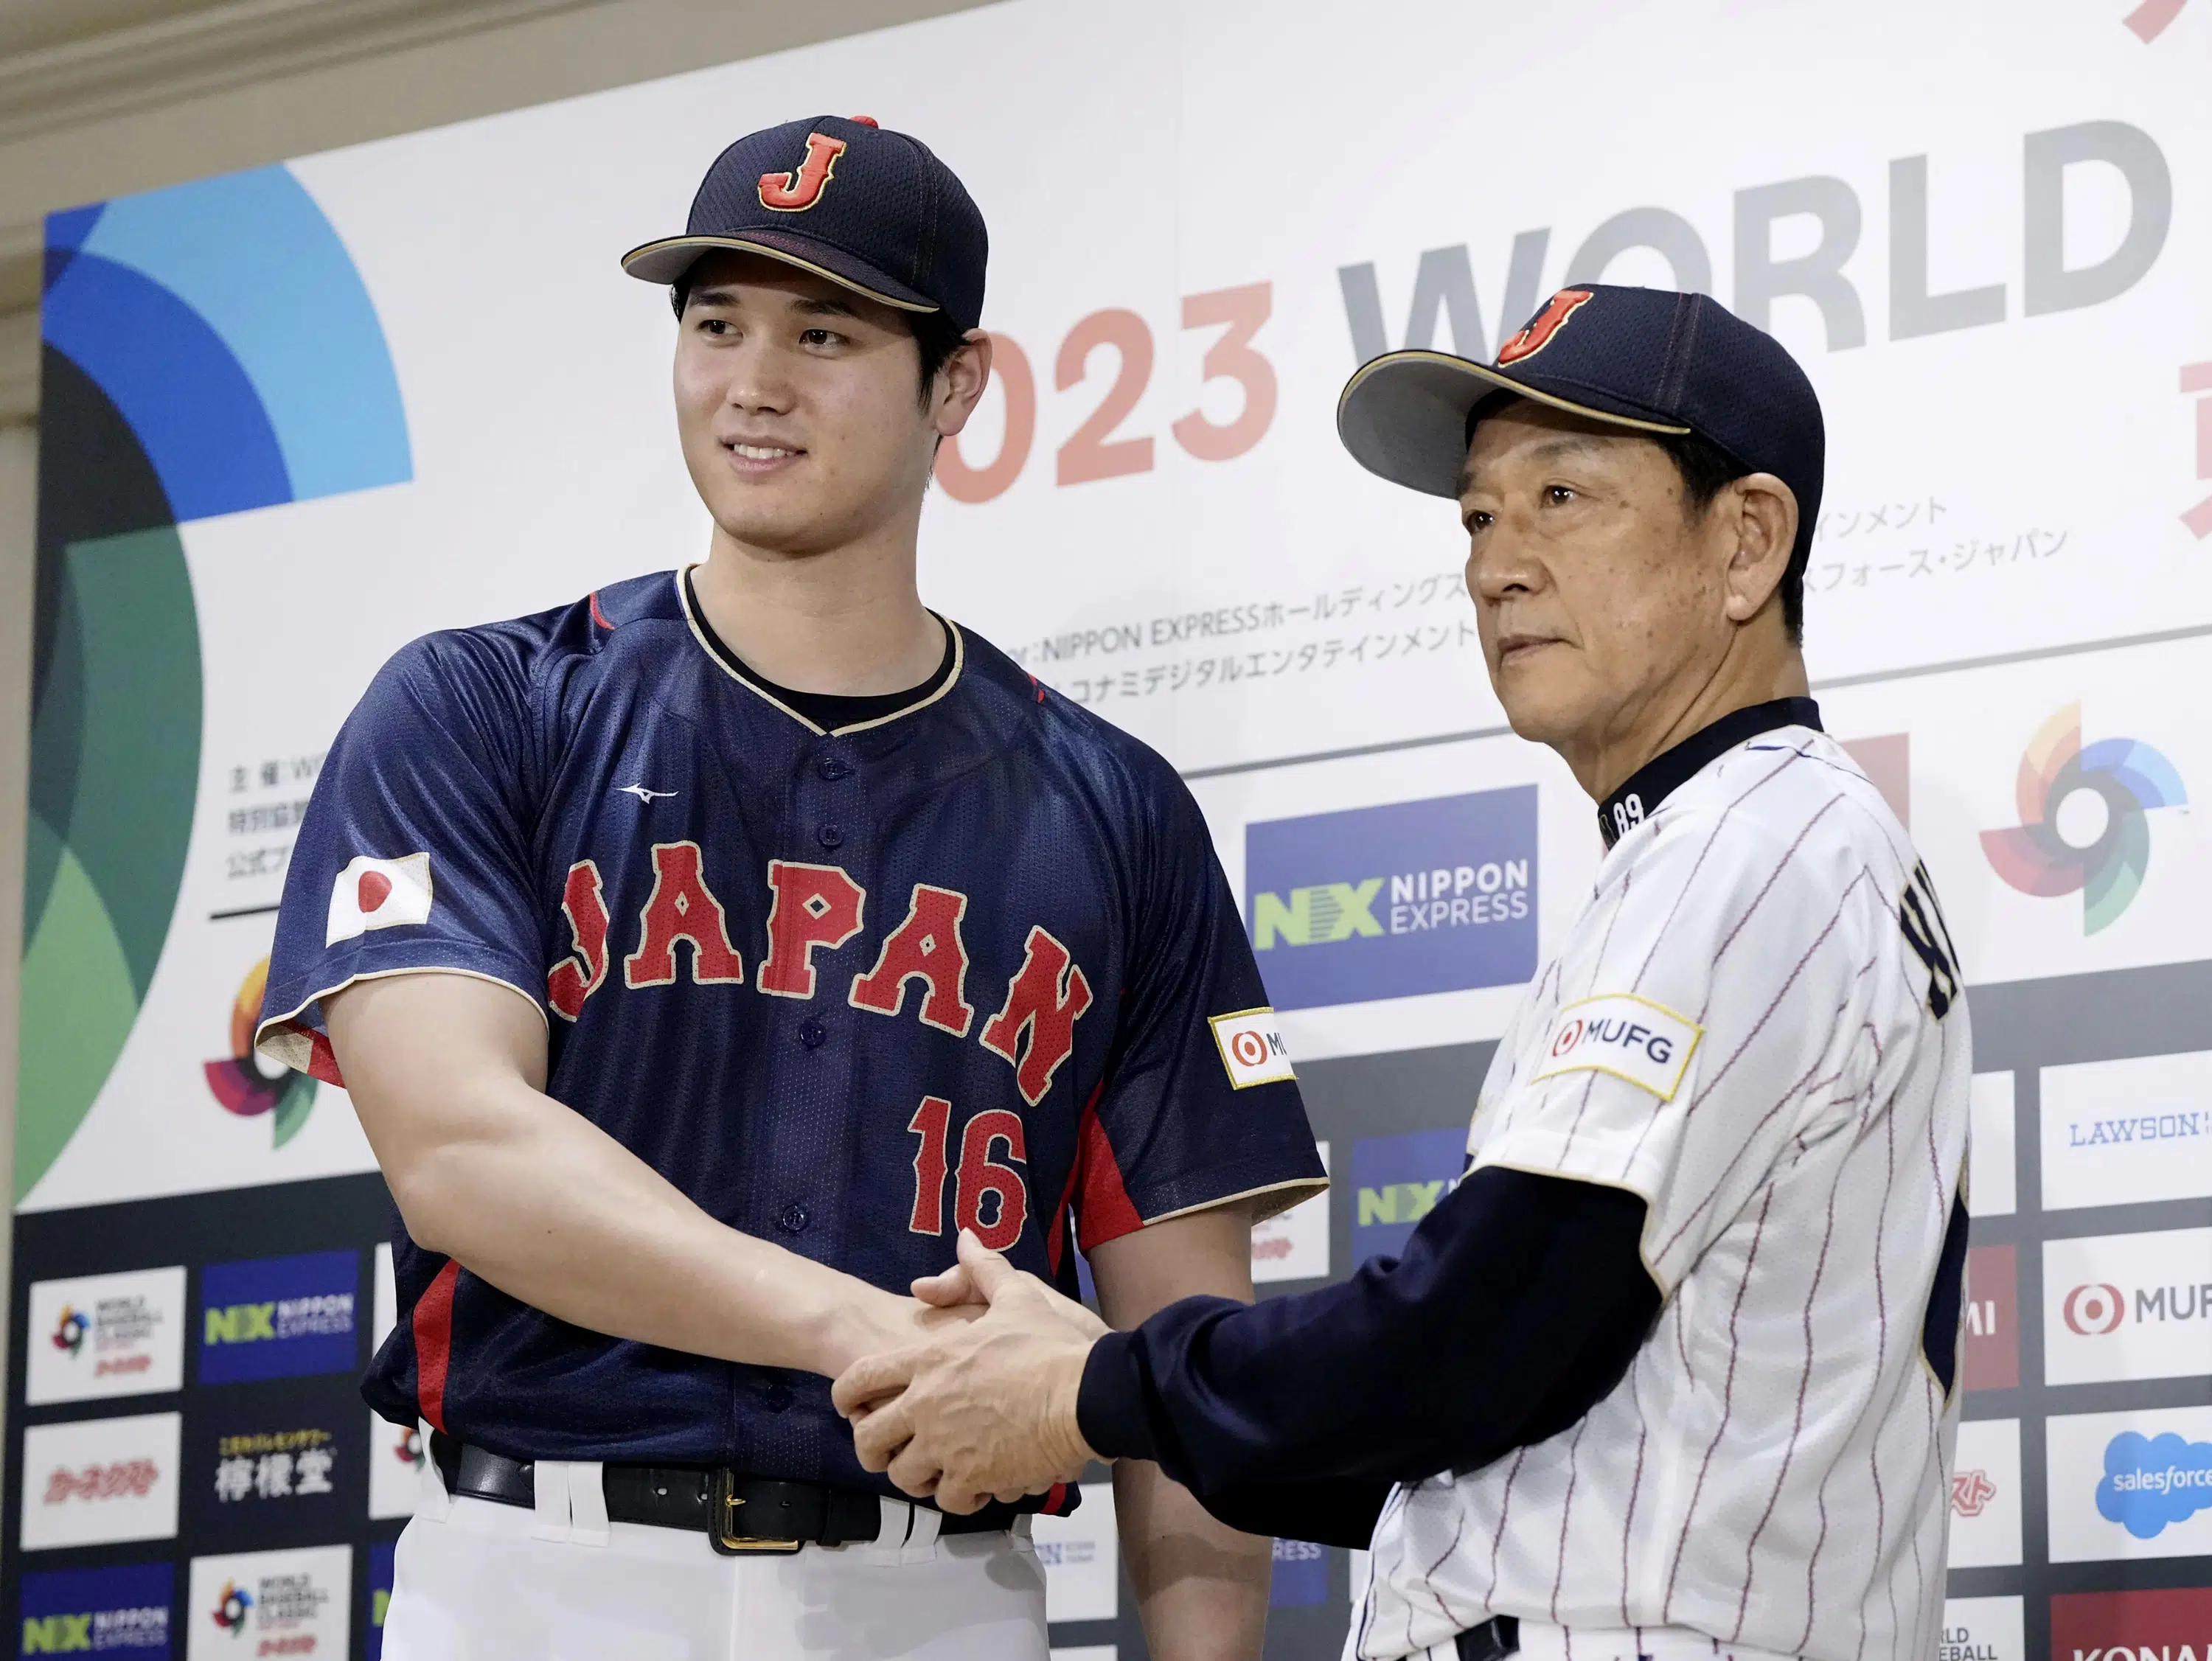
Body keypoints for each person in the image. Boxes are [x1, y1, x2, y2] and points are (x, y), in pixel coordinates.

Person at [253, 114, 1324, 1661]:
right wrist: (869, 1332)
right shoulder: (483, 705)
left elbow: (1180, 1358)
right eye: (714, 323)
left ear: (957, 384)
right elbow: (463, 1153)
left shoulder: (1120, 813)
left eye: (823, 332)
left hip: (939, 1597)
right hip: (545, 1574)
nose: (753, 380)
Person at [834, 285, 1973, 1661]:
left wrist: (1089, 1385)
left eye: (1565, 495)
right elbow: (1484, 1426)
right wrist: (1095, 1380)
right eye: (1482, 516)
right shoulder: (1770, 839)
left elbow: (1477, 1336)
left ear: (1747, 544)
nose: (1499, 565)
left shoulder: (1740, 848)